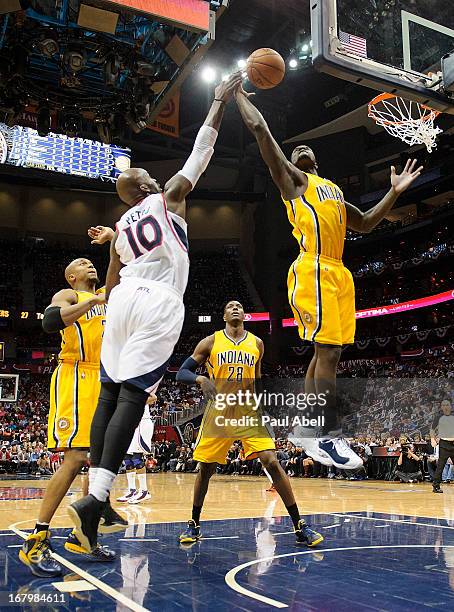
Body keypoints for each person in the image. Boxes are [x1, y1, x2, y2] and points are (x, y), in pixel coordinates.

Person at [67, 72, 243, 553]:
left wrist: (108, 246)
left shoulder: (122, 227)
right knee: (133, 399)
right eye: (148, 177)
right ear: (145, 185)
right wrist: (217, 105)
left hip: (119, 303)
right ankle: (95, 499)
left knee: (108, 395)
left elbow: (108, 281)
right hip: (156, 302)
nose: (154, 177)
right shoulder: (166, 200)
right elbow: (200, 155)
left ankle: (97, 499)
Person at [234, 83, 423, 468]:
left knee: (327, 352)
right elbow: (260, 132)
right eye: (293, 151)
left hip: (338, 273)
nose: (299, 150)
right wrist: (237, 95)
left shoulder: (333, 191)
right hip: (313, 266)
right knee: (330, 352)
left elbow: (368, 223)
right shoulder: (294, 183)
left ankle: (308, 429)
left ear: (317, 160)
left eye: (306, 150)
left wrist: (394, 192)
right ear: (289, 165)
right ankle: (325, 432)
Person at [176, 300, 323, 547]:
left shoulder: (257, 344)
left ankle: (299, 526)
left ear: (245, 315)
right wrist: (201, 378)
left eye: (239, 306)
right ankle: (193, 523)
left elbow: (257, 381)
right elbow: (182, 373)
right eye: (230, 306)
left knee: (271, 462)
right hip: (219, 410)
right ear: (224, 315)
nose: (235, 307)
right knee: (206, 469)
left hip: (247, 409)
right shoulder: (210, 342)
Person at [19, 256, 128, 578]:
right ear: (71, 276)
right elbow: (50, 322)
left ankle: (85, 535)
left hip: (106, 378)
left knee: (100, 462)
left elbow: (122, 268)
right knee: (76, 457)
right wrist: (93, 299)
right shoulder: (70, 297)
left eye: (91, 262)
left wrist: (114, 243)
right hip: (77, 375)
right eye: (81, 263)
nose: (88, 265)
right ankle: (36, 539)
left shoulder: (110, 296)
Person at [117, 394, 157, 504]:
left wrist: (134, 401)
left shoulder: (140, 383)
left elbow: (154, 398)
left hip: (142, 422)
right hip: (130, 424)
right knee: (127, 459)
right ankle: (132, 490)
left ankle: (144, 491)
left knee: (137, 459)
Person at [432, 400, 454, 493]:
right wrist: (433, 439)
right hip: (444, 444)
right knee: (440, 466)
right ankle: (436, 486)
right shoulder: (438, 417)